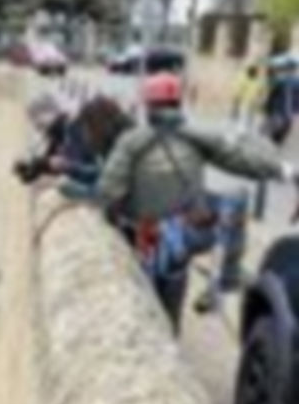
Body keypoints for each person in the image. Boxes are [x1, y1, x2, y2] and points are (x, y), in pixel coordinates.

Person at [97, 72, 298, 335]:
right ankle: (225, 277)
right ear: (178, 104)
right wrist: (285, 171)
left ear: (149, 106)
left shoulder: (131, 142)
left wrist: (122, 215)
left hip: (146, 237)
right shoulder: (197, 137)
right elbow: (241, 159)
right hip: (185, 237)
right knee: (172, 303)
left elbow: (108, 191)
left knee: (144, 302)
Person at [15, 94, 132, 192]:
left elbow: (97, 175)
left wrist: (66, 167)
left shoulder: (76, 130)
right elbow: (52, 160)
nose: (39, 128)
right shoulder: (63, 131)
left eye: (39, 124)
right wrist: (36, 167)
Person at [231, 62, 265, 133]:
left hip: (251, 102)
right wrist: (237, 100)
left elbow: (261, 91)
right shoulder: (246, 79)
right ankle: (242, 129)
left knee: (248, 116)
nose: (256, 73)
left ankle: (245, 129)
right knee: (245, 115)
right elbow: (239, 90)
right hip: (247, 101)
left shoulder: (257, 80)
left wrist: (260, 99)